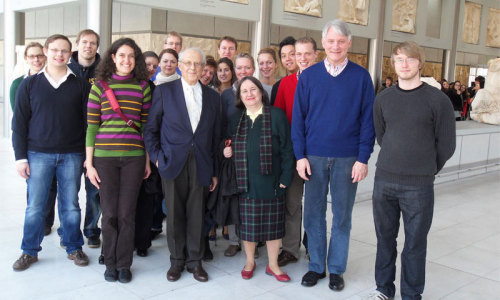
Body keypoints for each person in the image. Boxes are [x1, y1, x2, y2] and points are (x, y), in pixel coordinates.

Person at [367, 41, 456, 300]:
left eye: (409, 59)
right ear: (393, 65)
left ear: (420, 63)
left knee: (415, 245)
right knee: (385, 240)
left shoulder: (437, 100)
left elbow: (446, 145)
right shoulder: (383, 98)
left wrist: (425, 169)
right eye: (398, 60)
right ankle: (383, 289)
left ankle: (411, 294)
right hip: (385, 180)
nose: (403, 65)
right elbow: (382, 136)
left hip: (419, 185)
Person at [292, 19, 375, 291]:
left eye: (341, 41)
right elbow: (298, 120)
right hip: (313, 157)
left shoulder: (361, 77)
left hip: (347, 159)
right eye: (331, 41)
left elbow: (368, 122)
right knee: (313, 215)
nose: (336, 46)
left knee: (342, 216)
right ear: (323, 44)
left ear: (349, 43)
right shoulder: (309, 76)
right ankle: (317, 265)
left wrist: (363, 159)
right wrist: (300, 155)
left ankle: (337, 268)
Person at [12, 34, 90, 271]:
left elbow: (88, 122)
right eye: (55, 50)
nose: (59, 54)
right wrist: (20, 157)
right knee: (35, 206)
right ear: (46, 51)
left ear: (70, 53)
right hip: (38, 154)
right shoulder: (30, 84)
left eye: (64, 51)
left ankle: (73, 246)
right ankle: (29, 251)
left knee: (71, 205)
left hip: (72, 154)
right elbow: (20, 124)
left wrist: (88, 156)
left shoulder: (80, 85)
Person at [144, 47, 221, 283]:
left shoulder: (212, 97)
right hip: (172, 163)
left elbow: (216, 137)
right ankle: (177, 261)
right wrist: (157, 157)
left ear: (203, 68)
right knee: (175, 213)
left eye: (197, 64)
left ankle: (195, 262)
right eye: (187, 63)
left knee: (197, 214)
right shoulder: (164, 91)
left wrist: (215, 171)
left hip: (202, 164)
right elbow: (150, 130)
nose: (192, 68)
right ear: (180, 64)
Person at [85, 38, 152, 283]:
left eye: (132, 56)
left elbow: (144, 127)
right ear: (113, 57)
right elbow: (92, 127)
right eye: (122, 55)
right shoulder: (100, 86)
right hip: (105, 158)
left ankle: (124, 264)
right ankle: (110, 262)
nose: (127, 61)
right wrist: (89, 164)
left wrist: (146, 160)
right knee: (110, 213)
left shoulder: (143, 86)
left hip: (134, 158)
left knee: (126, 213)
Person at [223, 76, 294, 281]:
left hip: (272, 182)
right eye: (244, 91)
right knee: (248, 227)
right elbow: (226, 143)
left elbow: (288, 150)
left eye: (253, 89)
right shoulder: (237, 119)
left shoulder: (277, 116)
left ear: (261, 92)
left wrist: (285, 177)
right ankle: (250, 261)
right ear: (240, 96)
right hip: (245, 182)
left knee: (273, 227)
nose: (249, 94)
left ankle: (273, 265)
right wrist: (225, 150)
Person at [274, 36, 318, 267]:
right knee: (292, 203)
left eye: (300, 53)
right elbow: (279, 121)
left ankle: (313, 245)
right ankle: (290, 248)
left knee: (315, 202)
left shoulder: (324, 81)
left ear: (313, 55)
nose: (297, 58)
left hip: (319, 152)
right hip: (292, 153)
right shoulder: (285, 84)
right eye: (290, 55)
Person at [68, 29, 103, 249]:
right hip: (70, 141)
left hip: (97, 141)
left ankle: (91, 230)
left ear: (97, 46)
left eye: (92, 43)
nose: (88, 46)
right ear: (77, 43)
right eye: (84, 42)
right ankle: (69, 231)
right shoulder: (66, 68)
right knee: (69, 191)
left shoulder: (103, 71)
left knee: (94, 190)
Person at [220, 53, 256, 257]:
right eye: (240, 68)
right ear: (235, 71)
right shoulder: (226, 95)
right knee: (235, 198)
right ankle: (234, 240)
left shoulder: (257, 91)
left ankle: (251, 239)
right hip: (232, 154)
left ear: (253, 69)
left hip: (253, 153)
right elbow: (222, 125)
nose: (243, 71)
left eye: (247, 67)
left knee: (251, 198)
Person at [10, 42, 46, 111]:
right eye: (31, 56)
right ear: (26, 58)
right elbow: (16, 113)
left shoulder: (53, 81)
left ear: (45, 57)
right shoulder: (17, 83)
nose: (36, 59)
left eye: (40, 56)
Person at [270, 36, 299, 105]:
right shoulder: (277, 86)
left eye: (292, 54)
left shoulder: (308, 82)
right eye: (284, 56)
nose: (287, 59)